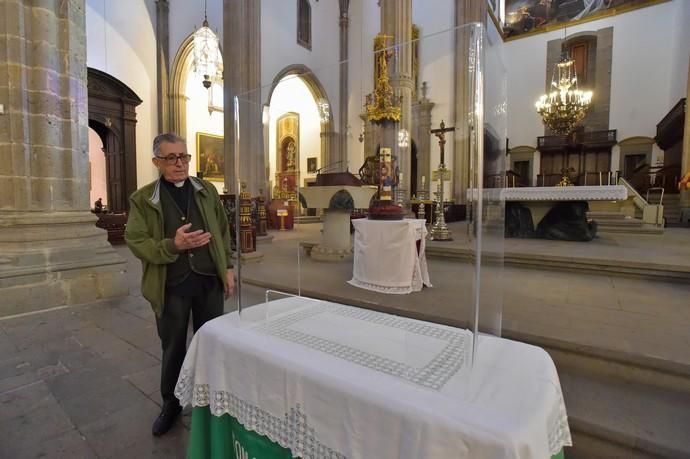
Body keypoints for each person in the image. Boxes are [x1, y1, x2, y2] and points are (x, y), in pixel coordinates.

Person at [125, 133, 235, 436]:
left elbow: (224, 231)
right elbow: (135, 241)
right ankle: (170, 404)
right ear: (157, 162)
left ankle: (212, 402)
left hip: (207, 280)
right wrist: (171, 245)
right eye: (171, 158)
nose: (180, 163)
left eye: (184, 156)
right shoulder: (144, 199)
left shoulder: (206, 190)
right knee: (173, 346)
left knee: (212, 342)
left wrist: (226, 266)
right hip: (171, 284)